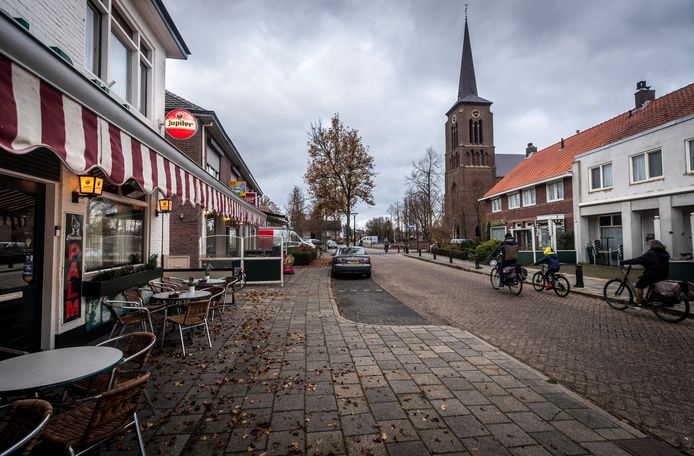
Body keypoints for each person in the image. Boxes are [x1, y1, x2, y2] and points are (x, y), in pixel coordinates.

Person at [621, 239, 670, 306]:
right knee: (651, 284)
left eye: (650, 245)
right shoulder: (664, 253)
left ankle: (638, 302)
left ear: (652, 246)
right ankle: (649, 299)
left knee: (640, 285)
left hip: (653, 274)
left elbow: (639, 260)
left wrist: (624, 262)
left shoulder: (651, 253)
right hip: (664, 274)